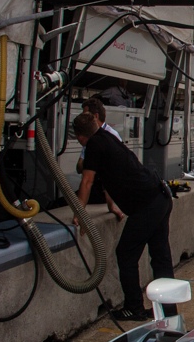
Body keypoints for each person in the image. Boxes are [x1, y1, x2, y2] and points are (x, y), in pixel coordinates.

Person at [71, 110, 175, 322]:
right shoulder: (108, 138)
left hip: (147, 205)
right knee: (160, 257)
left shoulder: (93, 145)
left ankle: (134, 307)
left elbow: (87, 181)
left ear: (80, 137)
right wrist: (112, 206)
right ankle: (168, 311)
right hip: (160, 197)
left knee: (126, 254)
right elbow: (111, 178)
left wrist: (79, 213)